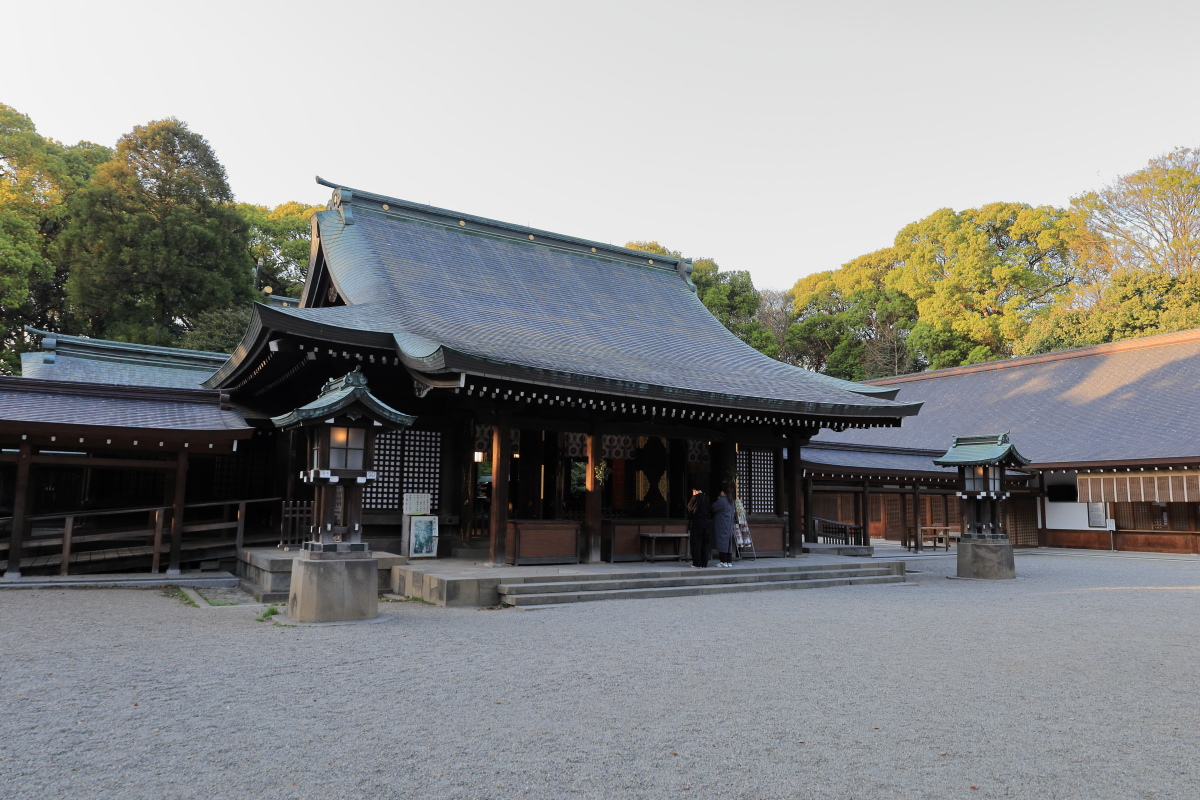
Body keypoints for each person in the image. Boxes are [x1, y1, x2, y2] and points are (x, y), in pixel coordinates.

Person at [686, 486, 713, 568]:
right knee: (705, 543)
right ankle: (704, 563)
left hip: (697, 522)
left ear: (696, 490)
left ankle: (697, 563)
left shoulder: (695, 497)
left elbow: (689, 508)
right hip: (706, 523)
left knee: (696, 543)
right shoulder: (708, 498)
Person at [711, 488, 735, 567]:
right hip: (729, 524)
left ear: (723, 492)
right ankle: (729, 561)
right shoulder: (731, 501)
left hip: (722, 524)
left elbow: (713, 508)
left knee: (722, 543)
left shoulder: (722, 501)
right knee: (728, 543)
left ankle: (723, 561)